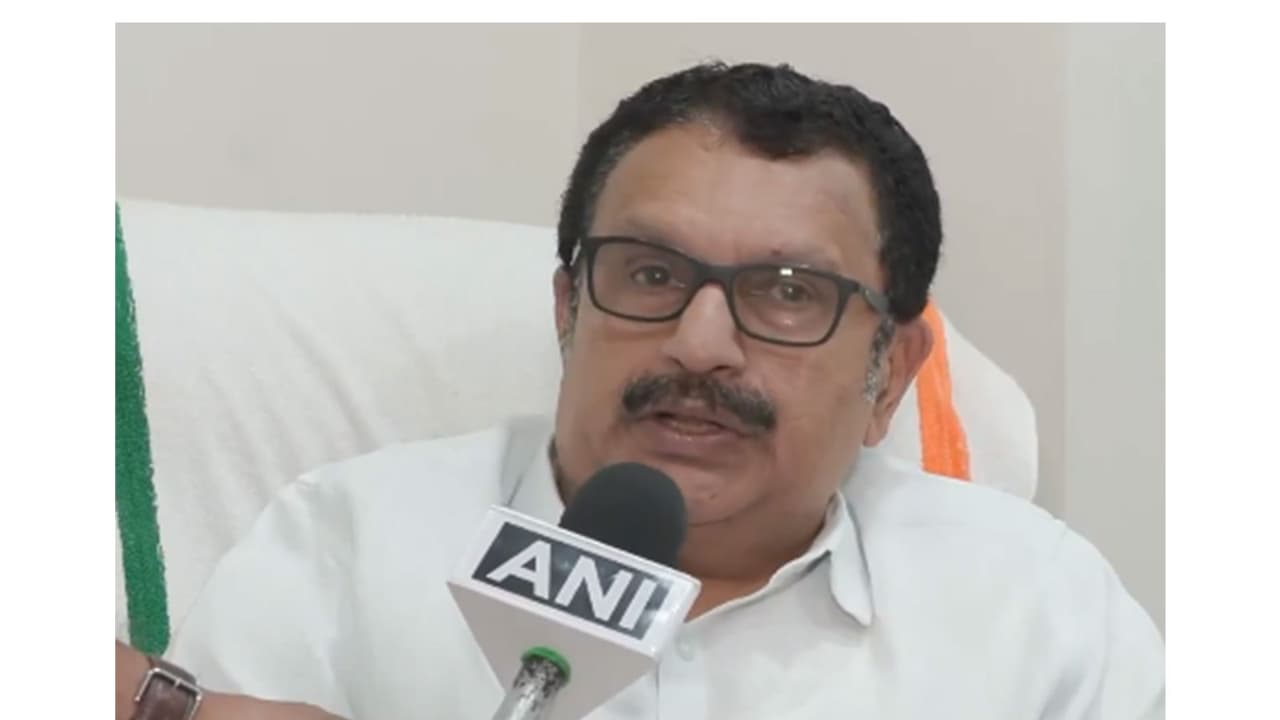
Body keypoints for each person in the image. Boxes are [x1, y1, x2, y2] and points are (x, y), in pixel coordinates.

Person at [116, 62, 1165, 719]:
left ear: (888, 372)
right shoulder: (347, 545)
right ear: (567, 311)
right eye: (651, 275)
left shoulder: (1036, 612)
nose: (701, 343)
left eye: (786, 293)